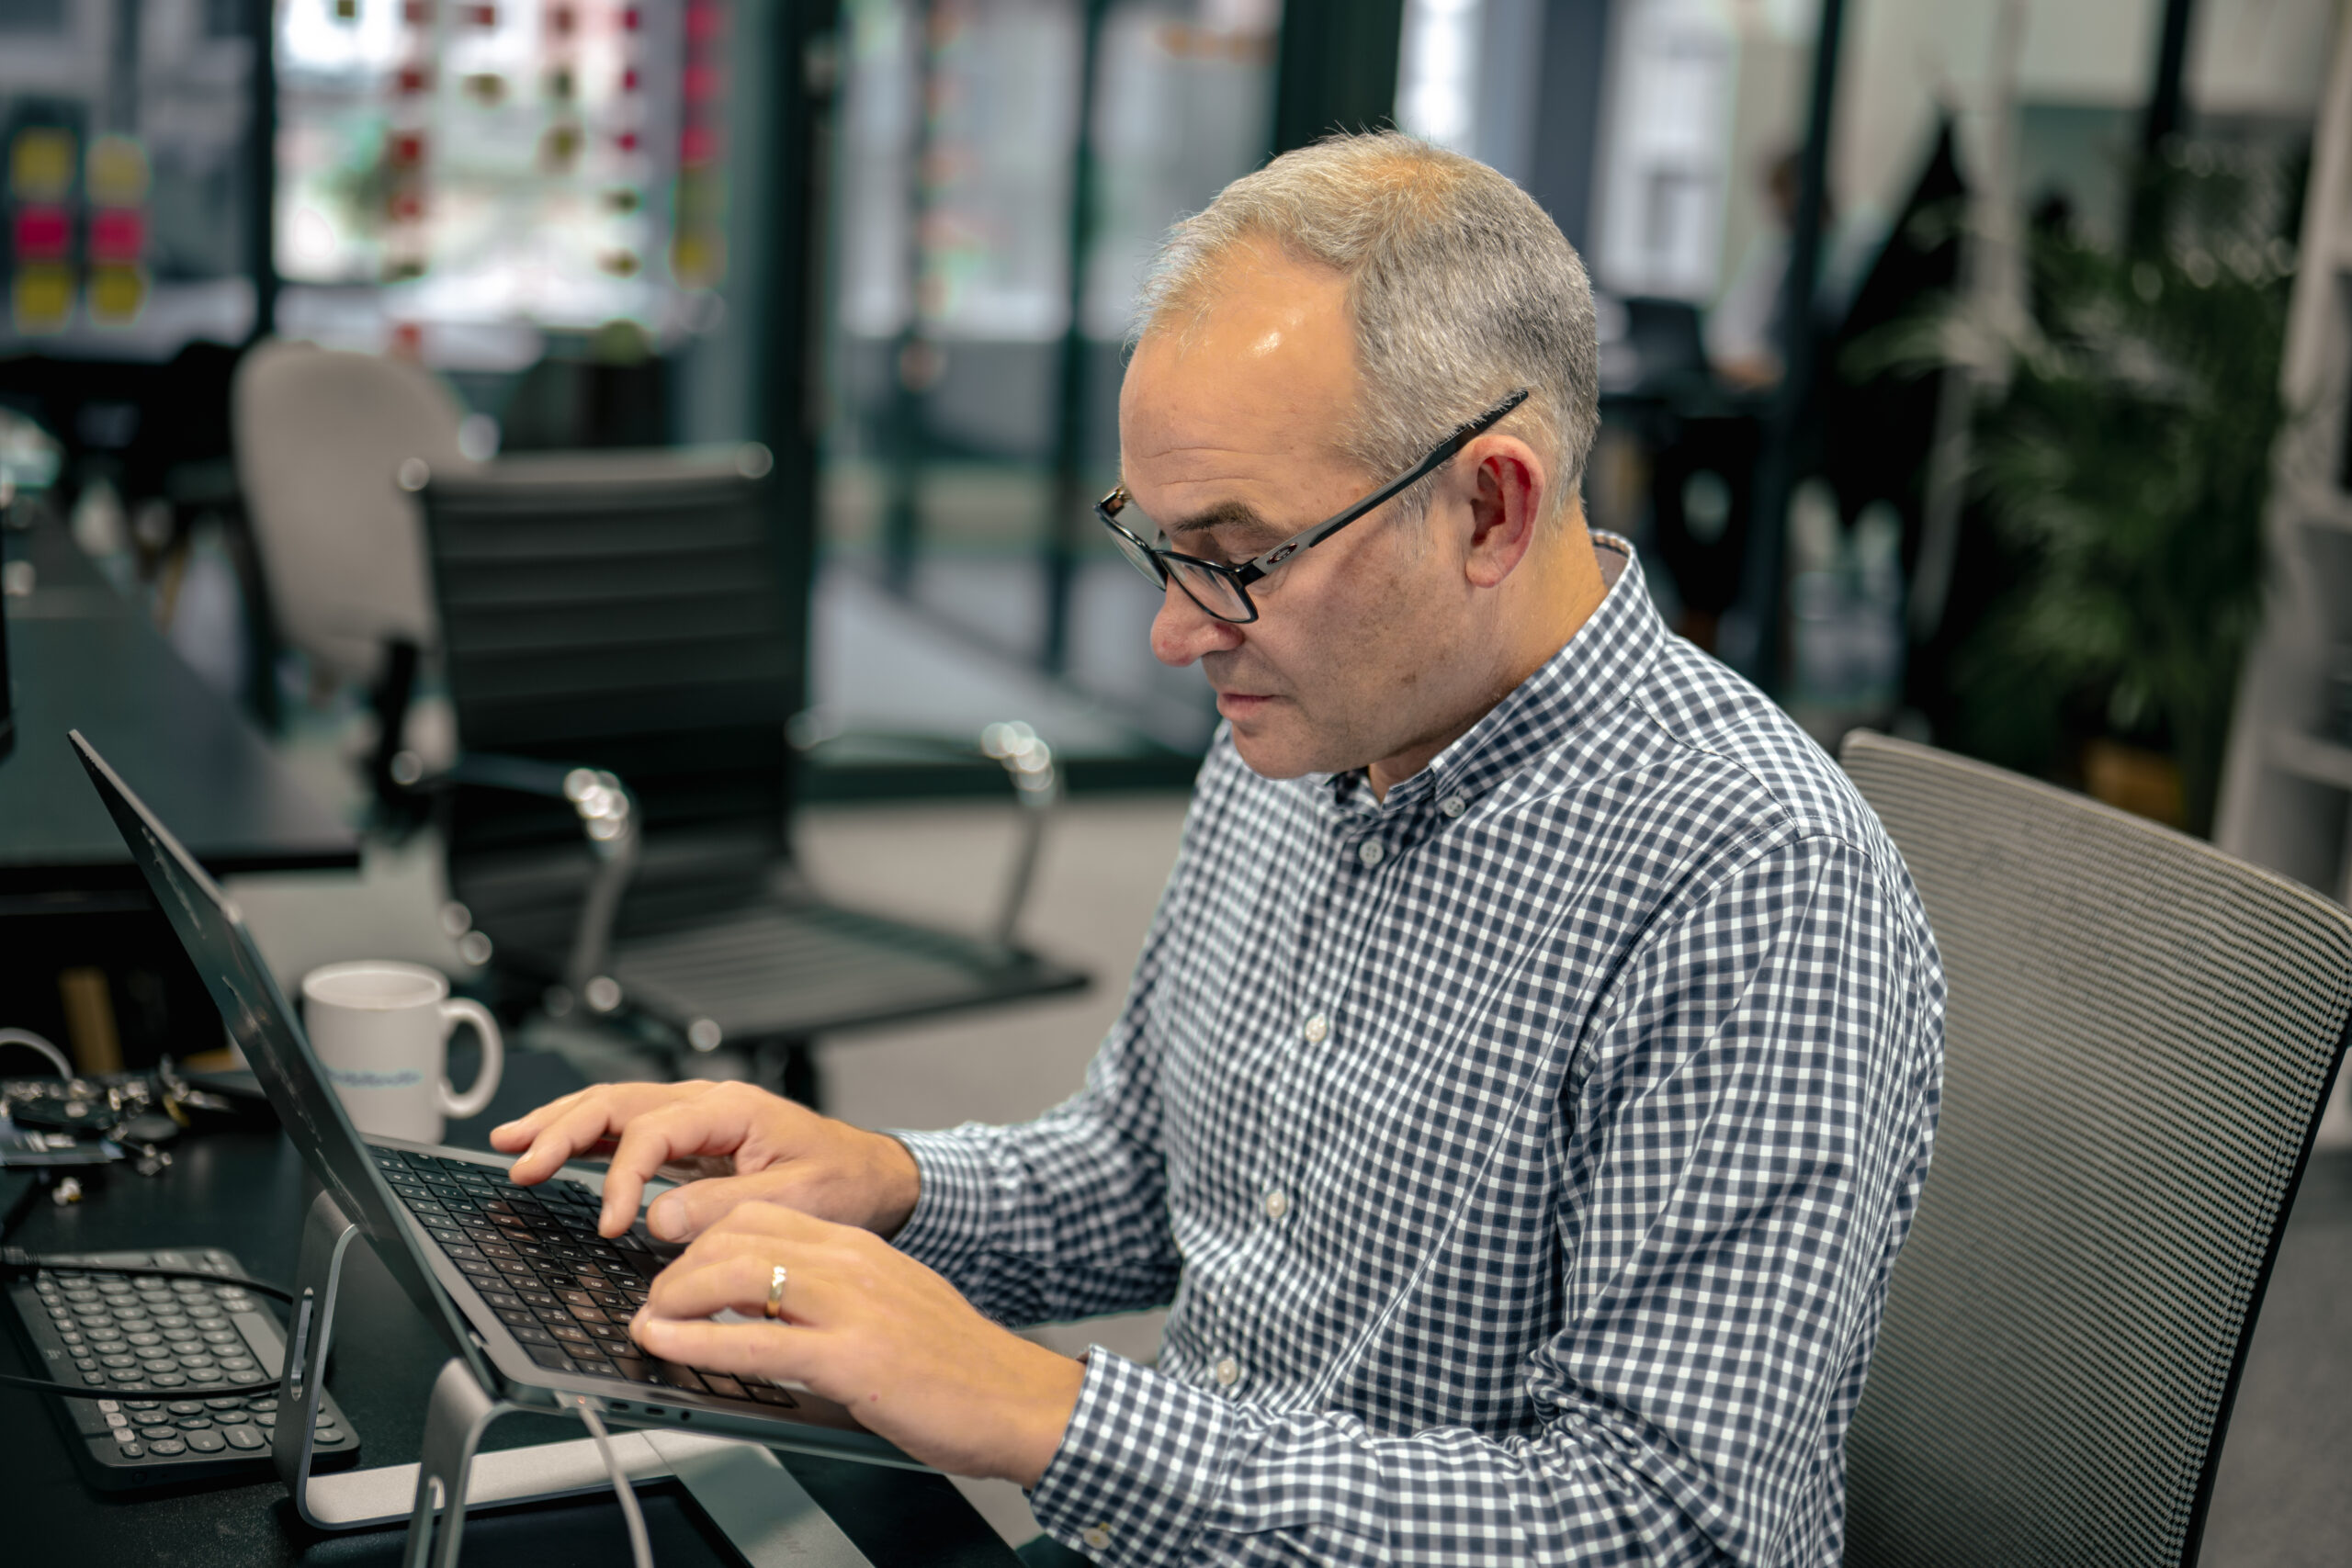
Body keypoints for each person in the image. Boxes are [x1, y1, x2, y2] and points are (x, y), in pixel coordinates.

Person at [492, 131, 1943, 1565]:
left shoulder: (1754, 883)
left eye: (1238, 555)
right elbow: (1149, 1175)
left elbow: (1657, 1529)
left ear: (1489, 508)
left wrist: (1049, 1413)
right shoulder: (1310, 715)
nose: (1177, 631)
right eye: (1159, 543)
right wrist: (886, 1181)